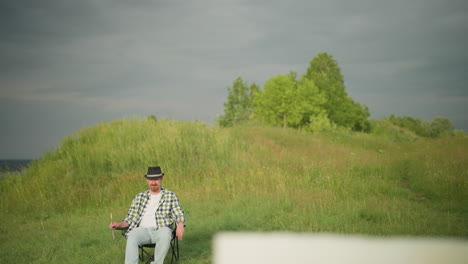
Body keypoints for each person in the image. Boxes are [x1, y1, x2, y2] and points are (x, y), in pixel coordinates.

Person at [109, 166, 185, 264]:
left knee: (166, 233)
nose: (153, 182)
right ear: (147, 180)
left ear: (161, 179)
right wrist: (117, 225)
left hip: (161, 229)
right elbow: (129, 219)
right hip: (143, 231)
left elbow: (179, 213)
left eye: (156, 179)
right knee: (133, 234)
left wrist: (180, 224)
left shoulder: (170, 196)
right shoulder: (139, 197)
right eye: (151, 179)